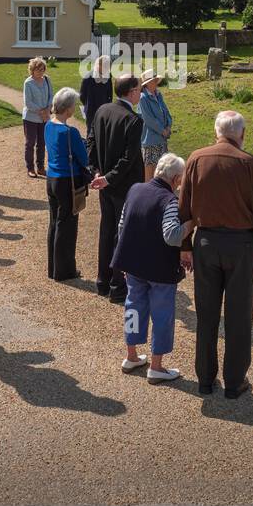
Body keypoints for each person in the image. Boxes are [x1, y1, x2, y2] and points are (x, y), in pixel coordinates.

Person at [178, 110, 253, 399]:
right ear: (242, 134)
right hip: (242, 247)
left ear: (216, 131)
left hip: (206, 242)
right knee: (239, 316)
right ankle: (234, 381)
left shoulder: (195, 158)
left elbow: (184, 206)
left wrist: (185, 246)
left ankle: (205, 379)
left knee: (206, 315)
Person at [111, 153, 194, 385]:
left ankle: (132, 356)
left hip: (133, 264)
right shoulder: (170, 201)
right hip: (160, 269)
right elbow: (172, 236)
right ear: (177, 178)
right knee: (162, 316)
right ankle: (156, 367)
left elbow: (122, 224)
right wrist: (192, 223)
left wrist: (124, 258)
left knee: (133, 308)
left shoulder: (135, 189)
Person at [86, 74, 145, 304]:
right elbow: (129, 159)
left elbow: (90, 141)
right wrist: (108, 178)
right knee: (122, 235)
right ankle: (118, 286)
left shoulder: (102, 110)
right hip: (123, 186)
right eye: (139, 89)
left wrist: (96, 171)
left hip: (104, 182)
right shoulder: (133, 120)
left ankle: (103, 281)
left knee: (106, 229)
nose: (140, 93)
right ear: (131, 92)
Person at [43, 87, 90, 282]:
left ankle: (53, 267)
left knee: (54, 223)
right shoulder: (70, 131)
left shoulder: (48, 125)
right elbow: (84, 157)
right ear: (69, 109)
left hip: (52, 178)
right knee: (67, 227)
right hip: (66, 181)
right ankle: (64, 270)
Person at [136, 68, 172, 181]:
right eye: (154, 80)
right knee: (150, 171)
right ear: (147, 83)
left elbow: (166, 112)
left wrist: (169, 125)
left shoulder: (158, 95)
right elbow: (149, 119)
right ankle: (148, 195)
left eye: (156, 80)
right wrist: (163, 130)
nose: (156, 82)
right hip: (150, 140)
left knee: (160, 170)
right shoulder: (143, 98)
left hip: (162, 139)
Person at [21, 57, 53, 178]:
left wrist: (48, 109)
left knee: (42, 143)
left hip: (44, 118)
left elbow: (51, 96)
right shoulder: (28, 83)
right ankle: (30, 168)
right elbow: (28, 103)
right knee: (30, 143)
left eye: (42, 69)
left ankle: (40, 167)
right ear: (32, 70)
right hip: (31, 118)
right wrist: (42, 112)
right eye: (38, 69)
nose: (40, 72)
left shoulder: (47, 80)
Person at [79, 55, 113, 136]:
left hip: (104, 110)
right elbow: (82, 95)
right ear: (99, 65)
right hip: (91, 110)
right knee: (91, 133)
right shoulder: (88, 77)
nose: (107, 69)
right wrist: (88, 104)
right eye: (105, 66)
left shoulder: (108, 76)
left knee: (102, 132)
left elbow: (110, 94)